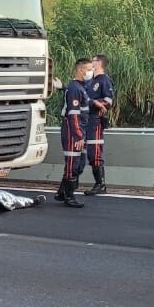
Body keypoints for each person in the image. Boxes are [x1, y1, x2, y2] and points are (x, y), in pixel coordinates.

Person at [55, 58, 100, 208]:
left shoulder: (81, 87)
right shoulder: (75, 88)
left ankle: (62, 192)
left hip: (81, 129)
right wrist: (78, 135)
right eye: (89, 69)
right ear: (81, 70)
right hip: (72, 131)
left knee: (79, 164)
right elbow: (73, 114)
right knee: (72, 164)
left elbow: (85, 106)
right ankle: (69, 196)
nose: (91, 72)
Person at [84, 54, 115, 196]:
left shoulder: (104, 80)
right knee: (87, 153)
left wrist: (96, 105)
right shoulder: (90, 81)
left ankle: (100, 184)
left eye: (93, 61)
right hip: (85, 120)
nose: (91, 62)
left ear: (99, 63)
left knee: (94, 152)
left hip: (95, 120)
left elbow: (108, 101)